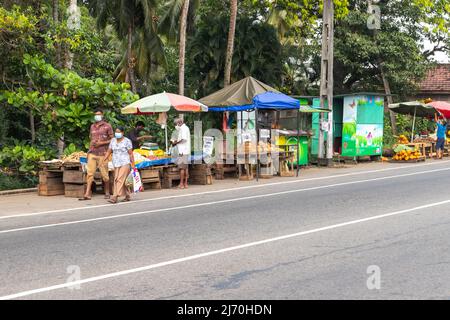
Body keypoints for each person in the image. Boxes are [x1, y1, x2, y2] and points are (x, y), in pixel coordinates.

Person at [79, 109, 113, 201]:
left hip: (103, 153)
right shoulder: (92, 126)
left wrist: (101, 143)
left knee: (104, 174)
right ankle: (87, 193)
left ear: (102, 115)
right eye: (95, 114)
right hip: (92, 153)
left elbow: (112, 140)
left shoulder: (107, 126)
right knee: (90, 174)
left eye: (98, 114)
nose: (97, 116)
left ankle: (107, 192)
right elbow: (91, 138)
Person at [102, 126, 135, 204]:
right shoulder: (113, 141)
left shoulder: (127, 141)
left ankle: (115, 196)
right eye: (116, 132)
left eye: (119, 132)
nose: (117, 133)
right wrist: (104, 159)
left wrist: (133, 164)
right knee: (119, 179)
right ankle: (127, 195)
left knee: (119, 179)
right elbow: (109, 151)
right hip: (116, 163)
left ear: (123, 133)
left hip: (125, 162)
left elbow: (130, 154)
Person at [171, 117, 191, 189]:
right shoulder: (186, 128)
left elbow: (184, 139)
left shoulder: (183, 129)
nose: (176, 126)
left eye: (176, 124)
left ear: (179, 123)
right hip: (186, 150)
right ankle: (185, 184)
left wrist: (175, 143)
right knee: (185, 168)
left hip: (183, 151)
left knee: (182, 168)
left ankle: (181, 184)